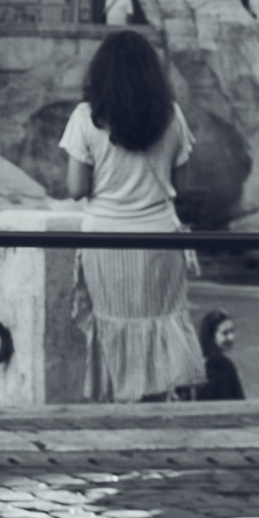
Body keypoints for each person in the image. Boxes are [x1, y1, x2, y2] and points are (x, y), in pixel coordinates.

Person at [62, 30, 204, 400]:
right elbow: (182, 185)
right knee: (159, 329)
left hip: (105, 242)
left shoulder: (86, 118)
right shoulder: (171, 116)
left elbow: (76, 188)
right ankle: (157, 408)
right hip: (159, 240)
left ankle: (119, 408)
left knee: (115, 329)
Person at [191, 309, 245, 400]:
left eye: (232, 331)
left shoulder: (195, 363)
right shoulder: (224, 366)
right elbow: (239, 401)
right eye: (225, 333)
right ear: (211, 336)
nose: (231, 337)